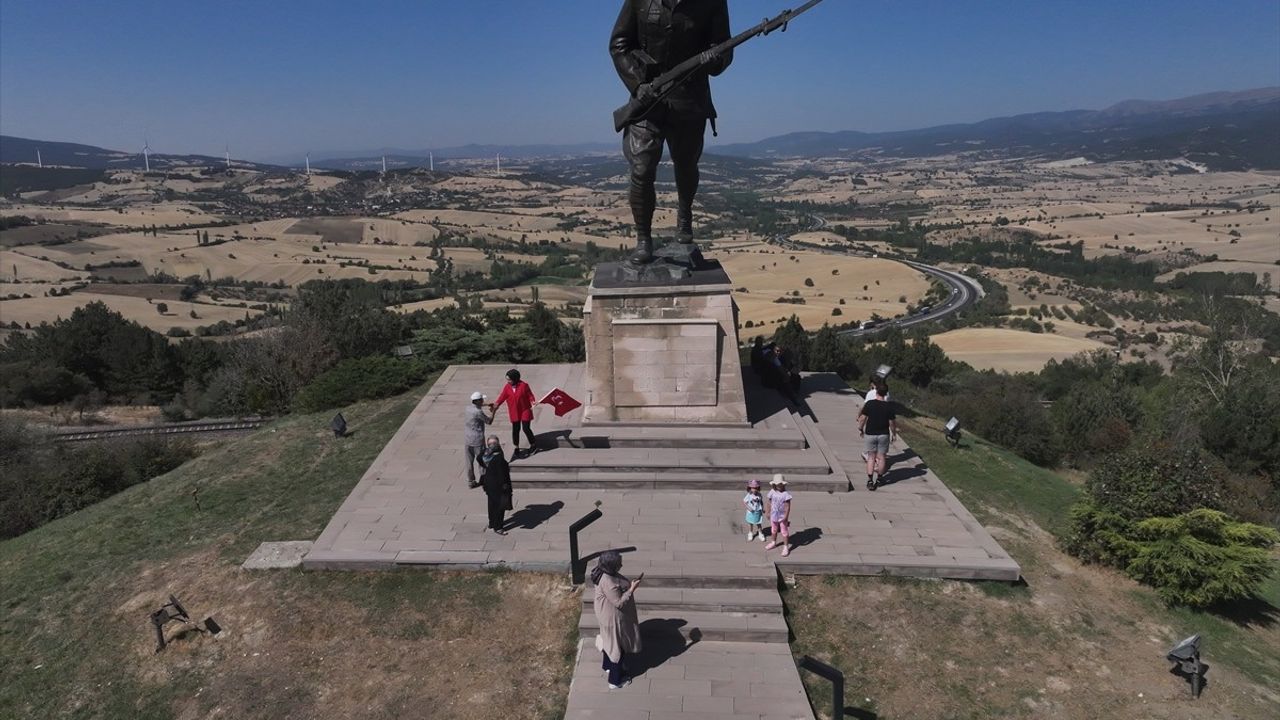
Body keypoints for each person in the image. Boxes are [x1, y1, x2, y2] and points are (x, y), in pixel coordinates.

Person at [610, 0, 733, 263]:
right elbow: (619, 45)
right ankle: (644, 239)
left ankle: (684, 219)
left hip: (689, 100)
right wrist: (637, 83)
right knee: (641, 168)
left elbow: (724, 48)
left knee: (686, 165)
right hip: (647, 100)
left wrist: (713, 60)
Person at [591, 550, 642, 690]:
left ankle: (607, 666)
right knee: (618, 647)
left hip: (604, 614)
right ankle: (615, 680)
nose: (621, 565)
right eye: (618, 564)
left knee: (609, 641)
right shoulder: (609, 582)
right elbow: (619, 602)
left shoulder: (600, 572)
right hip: (613, 619)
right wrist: (631, 589)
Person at [858, 385, 898, 491]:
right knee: (882, 457)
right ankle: (880, 479)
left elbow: (863, 418)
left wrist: (860, 429)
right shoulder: (889, 407)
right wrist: (894, 434)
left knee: (871, 457)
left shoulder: (870, 404)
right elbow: (892, 423)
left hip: (870, 433)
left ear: (876, 392)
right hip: (883, 434)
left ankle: (870, 480)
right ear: (886, 394)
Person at [492, 368, 537, 457]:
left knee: (526, 428)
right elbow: (502, 396)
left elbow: (530, 395)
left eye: (509, 379)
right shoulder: (507, 387)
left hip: (525, 410)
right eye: (507, 379)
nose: (508, 381)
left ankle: (533, 445)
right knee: (515, 430)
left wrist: (533, 401)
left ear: (515, 378)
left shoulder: (524, 385)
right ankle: (516, 447)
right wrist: (497, 404)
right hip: (514, 411)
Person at [478, 435, 513, 534]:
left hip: (488, 483)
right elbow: (502, 474)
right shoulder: (498, 457)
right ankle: (498, 527)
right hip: (498, 485)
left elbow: (478, 458)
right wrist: (506, 486)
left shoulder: (485, 454)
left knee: (491, 504)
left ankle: (492, 522)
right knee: (499, 506)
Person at [463, 390, 492, 489]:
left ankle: (471, 481)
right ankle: (483, 479)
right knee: (481, 460)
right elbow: (489, 421)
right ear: (478, 401)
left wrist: (487, 404)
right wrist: (494, 411)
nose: (483, 401)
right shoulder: (478, 412)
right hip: (478, 440)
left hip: (467, 439)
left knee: (469, 462)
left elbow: (477, 406)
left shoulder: (467, 408)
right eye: (482, 400)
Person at [764, 474, 793, 557]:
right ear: (774, 485)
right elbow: (769, 503)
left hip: (782, 516)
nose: (779, 486)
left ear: (783, 484)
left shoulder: (786, 494)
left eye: (781, 484)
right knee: (774, 530)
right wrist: (767, 512)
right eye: (777, 484)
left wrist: (786, 517)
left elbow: (788, 507)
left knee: (784, 531)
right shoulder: (772, 492)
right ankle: (773, 542)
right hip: (774, 515)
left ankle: (786, 547)